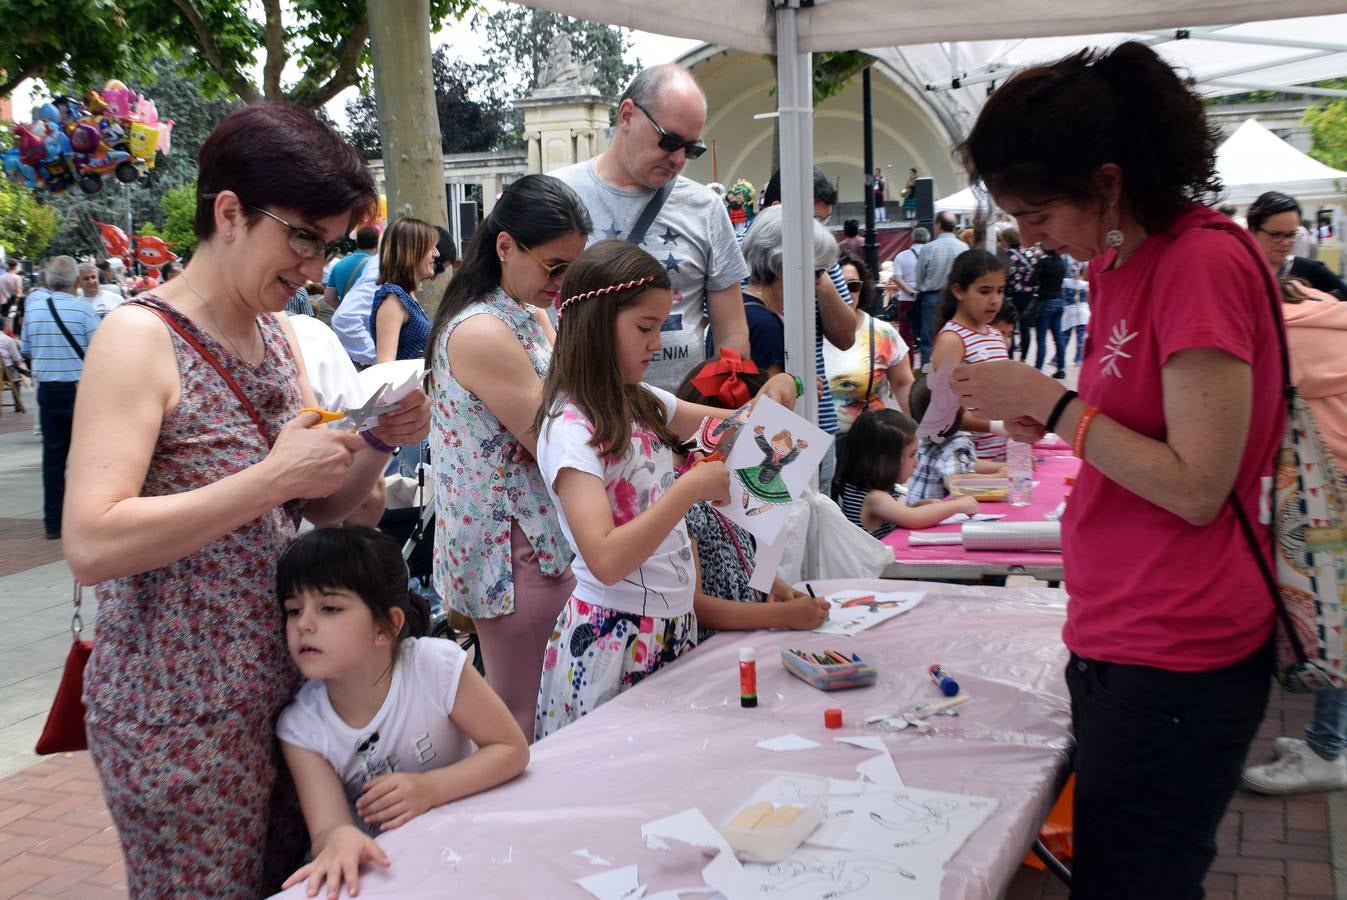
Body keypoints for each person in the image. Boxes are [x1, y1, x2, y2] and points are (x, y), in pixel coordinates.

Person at [64, 102, 431, 898]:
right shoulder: (139, 337)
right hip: (178, 714)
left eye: (327, 246)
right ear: (228, 212)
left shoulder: (282, 339)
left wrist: (375, 441)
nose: (310, 266)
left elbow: (319, 514)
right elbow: (91, 541)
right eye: (302, 238)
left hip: (295, 698)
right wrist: (268, 477)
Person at [951, 42, 1282, 896]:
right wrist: (1057, 409)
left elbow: (1196, 484)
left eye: (1035, 213)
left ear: (1106, 182)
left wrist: (1055, 405)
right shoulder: (1119, 261)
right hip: (1124, 632)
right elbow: (1139, 423)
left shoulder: (1199, 263)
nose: (1026, 238)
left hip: (1177, 648)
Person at [531, 240, 796, 740]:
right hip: (614, 638)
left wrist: (781, 392)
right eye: (645, 328)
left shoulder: (640, 400)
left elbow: (740, 427)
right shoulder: (570, 427)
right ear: (594, 324)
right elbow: (606, 559)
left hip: (669, 628)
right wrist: (691, 486)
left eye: (661, 326)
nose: (657, 343)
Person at [424, 174, 591, 740]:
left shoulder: (519, 310)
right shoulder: (484, 330)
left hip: (533, 541)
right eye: (554, 266)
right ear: (505, 246)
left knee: (543, 716)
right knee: (523, 725)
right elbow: (552, 436)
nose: (563, 282)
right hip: (515, 551)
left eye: (572, 267)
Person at [274, 527, 528, 899]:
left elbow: (511, 749)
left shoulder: (435, 667)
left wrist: (429, 789)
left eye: (329, 607)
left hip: (470, 846)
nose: (304, 624)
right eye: (293, 610)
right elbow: (328, 828)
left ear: (386, 627)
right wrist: (340, 839)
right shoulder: (302, 727)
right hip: (388, 873)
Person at [551, 64, 750, 391]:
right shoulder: (556, 195)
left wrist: (715, 399)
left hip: (680, 427)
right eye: (670, 141)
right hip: (583, 422)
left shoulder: (706, 207)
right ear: (627, 115)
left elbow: (732, 333)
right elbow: (527, 316)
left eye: (691, 149)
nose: (679, 159)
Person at [1242, 276, 1347, 796]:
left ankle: (1328, 750)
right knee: (1337, 617)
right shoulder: (1333, 314)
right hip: (1333, 485)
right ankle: (1324, 740)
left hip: (1326, 491)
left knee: (1332, 622)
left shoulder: (1281, 334)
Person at [673, 360, 831, 643]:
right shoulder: (686, 494)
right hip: (712, 653)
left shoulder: (728, 481)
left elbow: (734, 557)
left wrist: (774, 585)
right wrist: (784, 616)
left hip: (743, 641)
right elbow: (695, 604)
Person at [20, 256, 98, 539]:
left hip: (47, 389)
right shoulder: (84, 312)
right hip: (79, 389)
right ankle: (85, 519)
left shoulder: (35, 311)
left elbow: (26, 349)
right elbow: (100, 353)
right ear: (77, 281)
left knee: (53, 457)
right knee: (86, 457)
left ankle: (53, 521)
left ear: (48, 281)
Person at [723, 205, 839, 377]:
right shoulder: (765, 324)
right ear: (781, 267)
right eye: (816, 272)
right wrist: (799, 387)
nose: (818, 281)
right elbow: (771, 401)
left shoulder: (737, 311)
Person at [835, 408, 979, 538]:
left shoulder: (865, 489)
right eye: (911, 455)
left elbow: (903, 514)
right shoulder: (875, 497)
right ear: (886, 461)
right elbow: (913, 519)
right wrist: (959, 505)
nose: (916, 462)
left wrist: (919, 506)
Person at [825, 255, 914, 448]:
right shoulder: (803, 336)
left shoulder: (882, 334)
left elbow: (903, 383)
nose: (844, 292)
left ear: (862, 288)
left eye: (852, 286)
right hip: (815, 450)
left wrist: (916, 436)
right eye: (835, 285)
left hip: (869, 450)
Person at [931, 249, 1010, 462]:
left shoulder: (994, 334)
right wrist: (998, 425)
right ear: (958, 291)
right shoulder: (952, 340)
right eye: (985, 291)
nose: (995, 300)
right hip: (971, 463)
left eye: (1000, 291)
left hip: (1001, 456)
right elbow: (945, 414)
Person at [904, 373, 1004, 504]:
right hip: (934, 517)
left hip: (914, 510)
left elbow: (962, 462)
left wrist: (1001, 466)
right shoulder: (958, 444)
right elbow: (957, 484)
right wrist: (998, 478)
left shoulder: (923, 435)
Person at [1247, 191, 1347, 301]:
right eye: (1276, 235)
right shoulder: (1238, 271)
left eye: (1291, 234)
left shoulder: (1310, 270)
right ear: (1253, 231)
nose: (1285, 242)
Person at [370, 217, 437, 363]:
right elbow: (386, 365)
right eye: (431, 247)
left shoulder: (404, 295)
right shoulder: (393, 298)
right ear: (412, 252)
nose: (436, 253)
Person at [912, 211, 966, 365]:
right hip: (955, 298)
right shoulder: (963, 247)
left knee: (928, 340)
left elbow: (919, 276)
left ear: (938, 225)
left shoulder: (929, 248)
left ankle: (926, 378)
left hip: (931, 298)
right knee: (955, 336)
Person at [997, 226, 1039, 362]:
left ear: (1006, 240)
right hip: (1028, 295)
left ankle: (1009, 357)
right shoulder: (1029, 253)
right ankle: (1023, 358)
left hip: (1011, 295)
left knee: (1010, 328)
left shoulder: (1006, 255)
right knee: (1025, 328)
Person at [324, 224, 379, 313]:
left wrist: (345, 310)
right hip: (372, 319)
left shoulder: (339, 264)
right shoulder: (378, 266)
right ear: (377, 243)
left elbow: (329, 297)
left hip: (347, 319)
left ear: (356, 242)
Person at [1031, 248, 1068, 378]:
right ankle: (1061, 368)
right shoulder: (1062, 262)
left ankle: (1038, 369)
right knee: (1058, 337)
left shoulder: (1043, 262)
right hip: (1059, 301)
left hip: (1045, 300)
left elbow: (1032, 280)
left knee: (1041, 338)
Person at [1061, 254, 1091, 366]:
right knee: (1080, 336)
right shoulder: (1085, 284)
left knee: (1064, 336)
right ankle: (1079, 358)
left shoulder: (1065, 282)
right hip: (1083, 311)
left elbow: (1062, 294)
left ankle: (1058, 357)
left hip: (1069, 311)